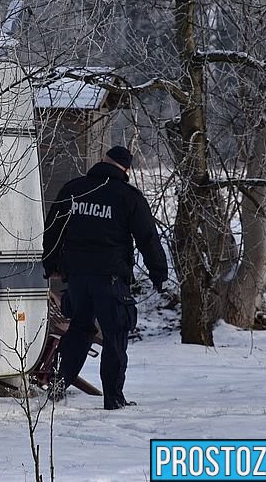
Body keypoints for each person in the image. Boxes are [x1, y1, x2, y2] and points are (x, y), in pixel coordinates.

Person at [42, 145, 168, 410]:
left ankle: (57, 385)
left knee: (78, 329)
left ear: (103, 161)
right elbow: (148, 238)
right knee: (114, 336)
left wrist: (51, 264)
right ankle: (113, 398)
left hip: (76, 278)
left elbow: (53, 229)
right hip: (110, 280)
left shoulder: (74, 189)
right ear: (126, 169)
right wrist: (158, 273)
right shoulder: (128, 196)